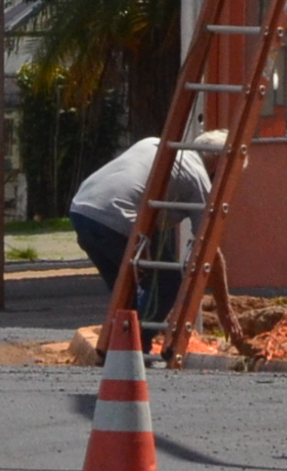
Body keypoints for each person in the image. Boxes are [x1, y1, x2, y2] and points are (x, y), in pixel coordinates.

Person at [66, 128, 225, 331]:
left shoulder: (153, 143)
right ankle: (138, 345)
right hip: (119, 220)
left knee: (125, 292)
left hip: (82, 210)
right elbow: (210, 249)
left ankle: (117, 348)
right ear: (219, 163)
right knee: (166, 283)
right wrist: (225, 313)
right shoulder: (200, 179)